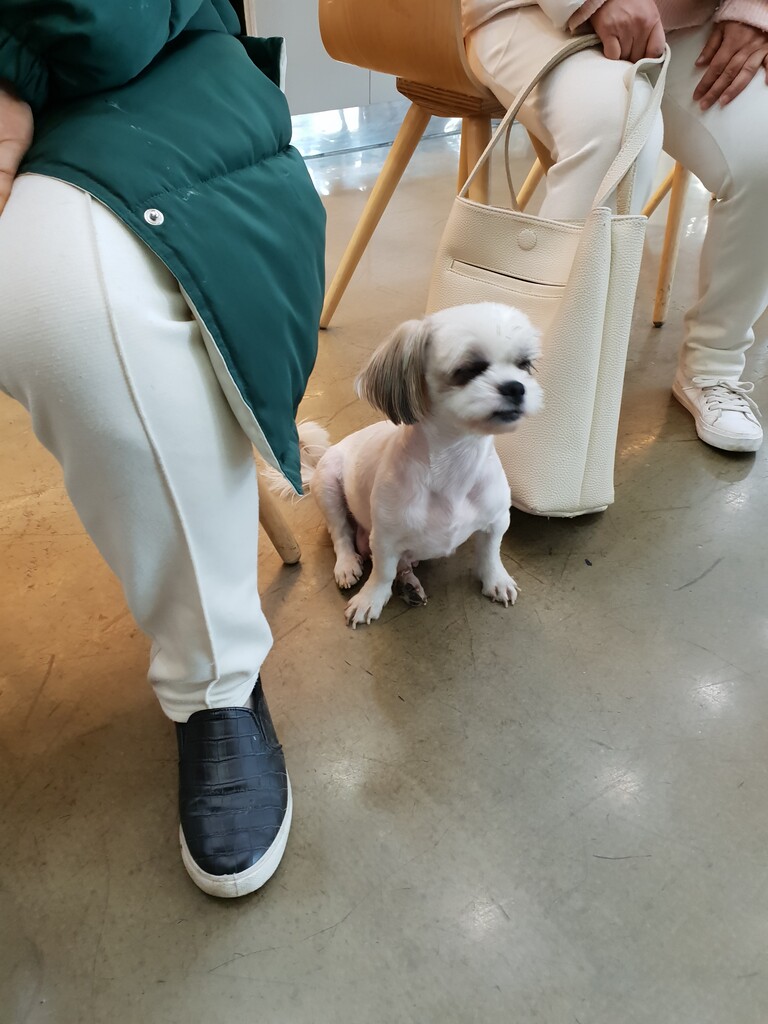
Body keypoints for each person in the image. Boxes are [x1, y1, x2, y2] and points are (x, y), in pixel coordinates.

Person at [0, 1, 325, 898]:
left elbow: (106, 20)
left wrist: (9, 64)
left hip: (141, 60)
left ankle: (212, 677)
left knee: (72, 312)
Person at [462, 0, 768, 452]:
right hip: (530, 12)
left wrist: (754, 10)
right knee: (618, 129)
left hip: (685, 19)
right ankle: (544, 381)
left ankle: (713, 367)